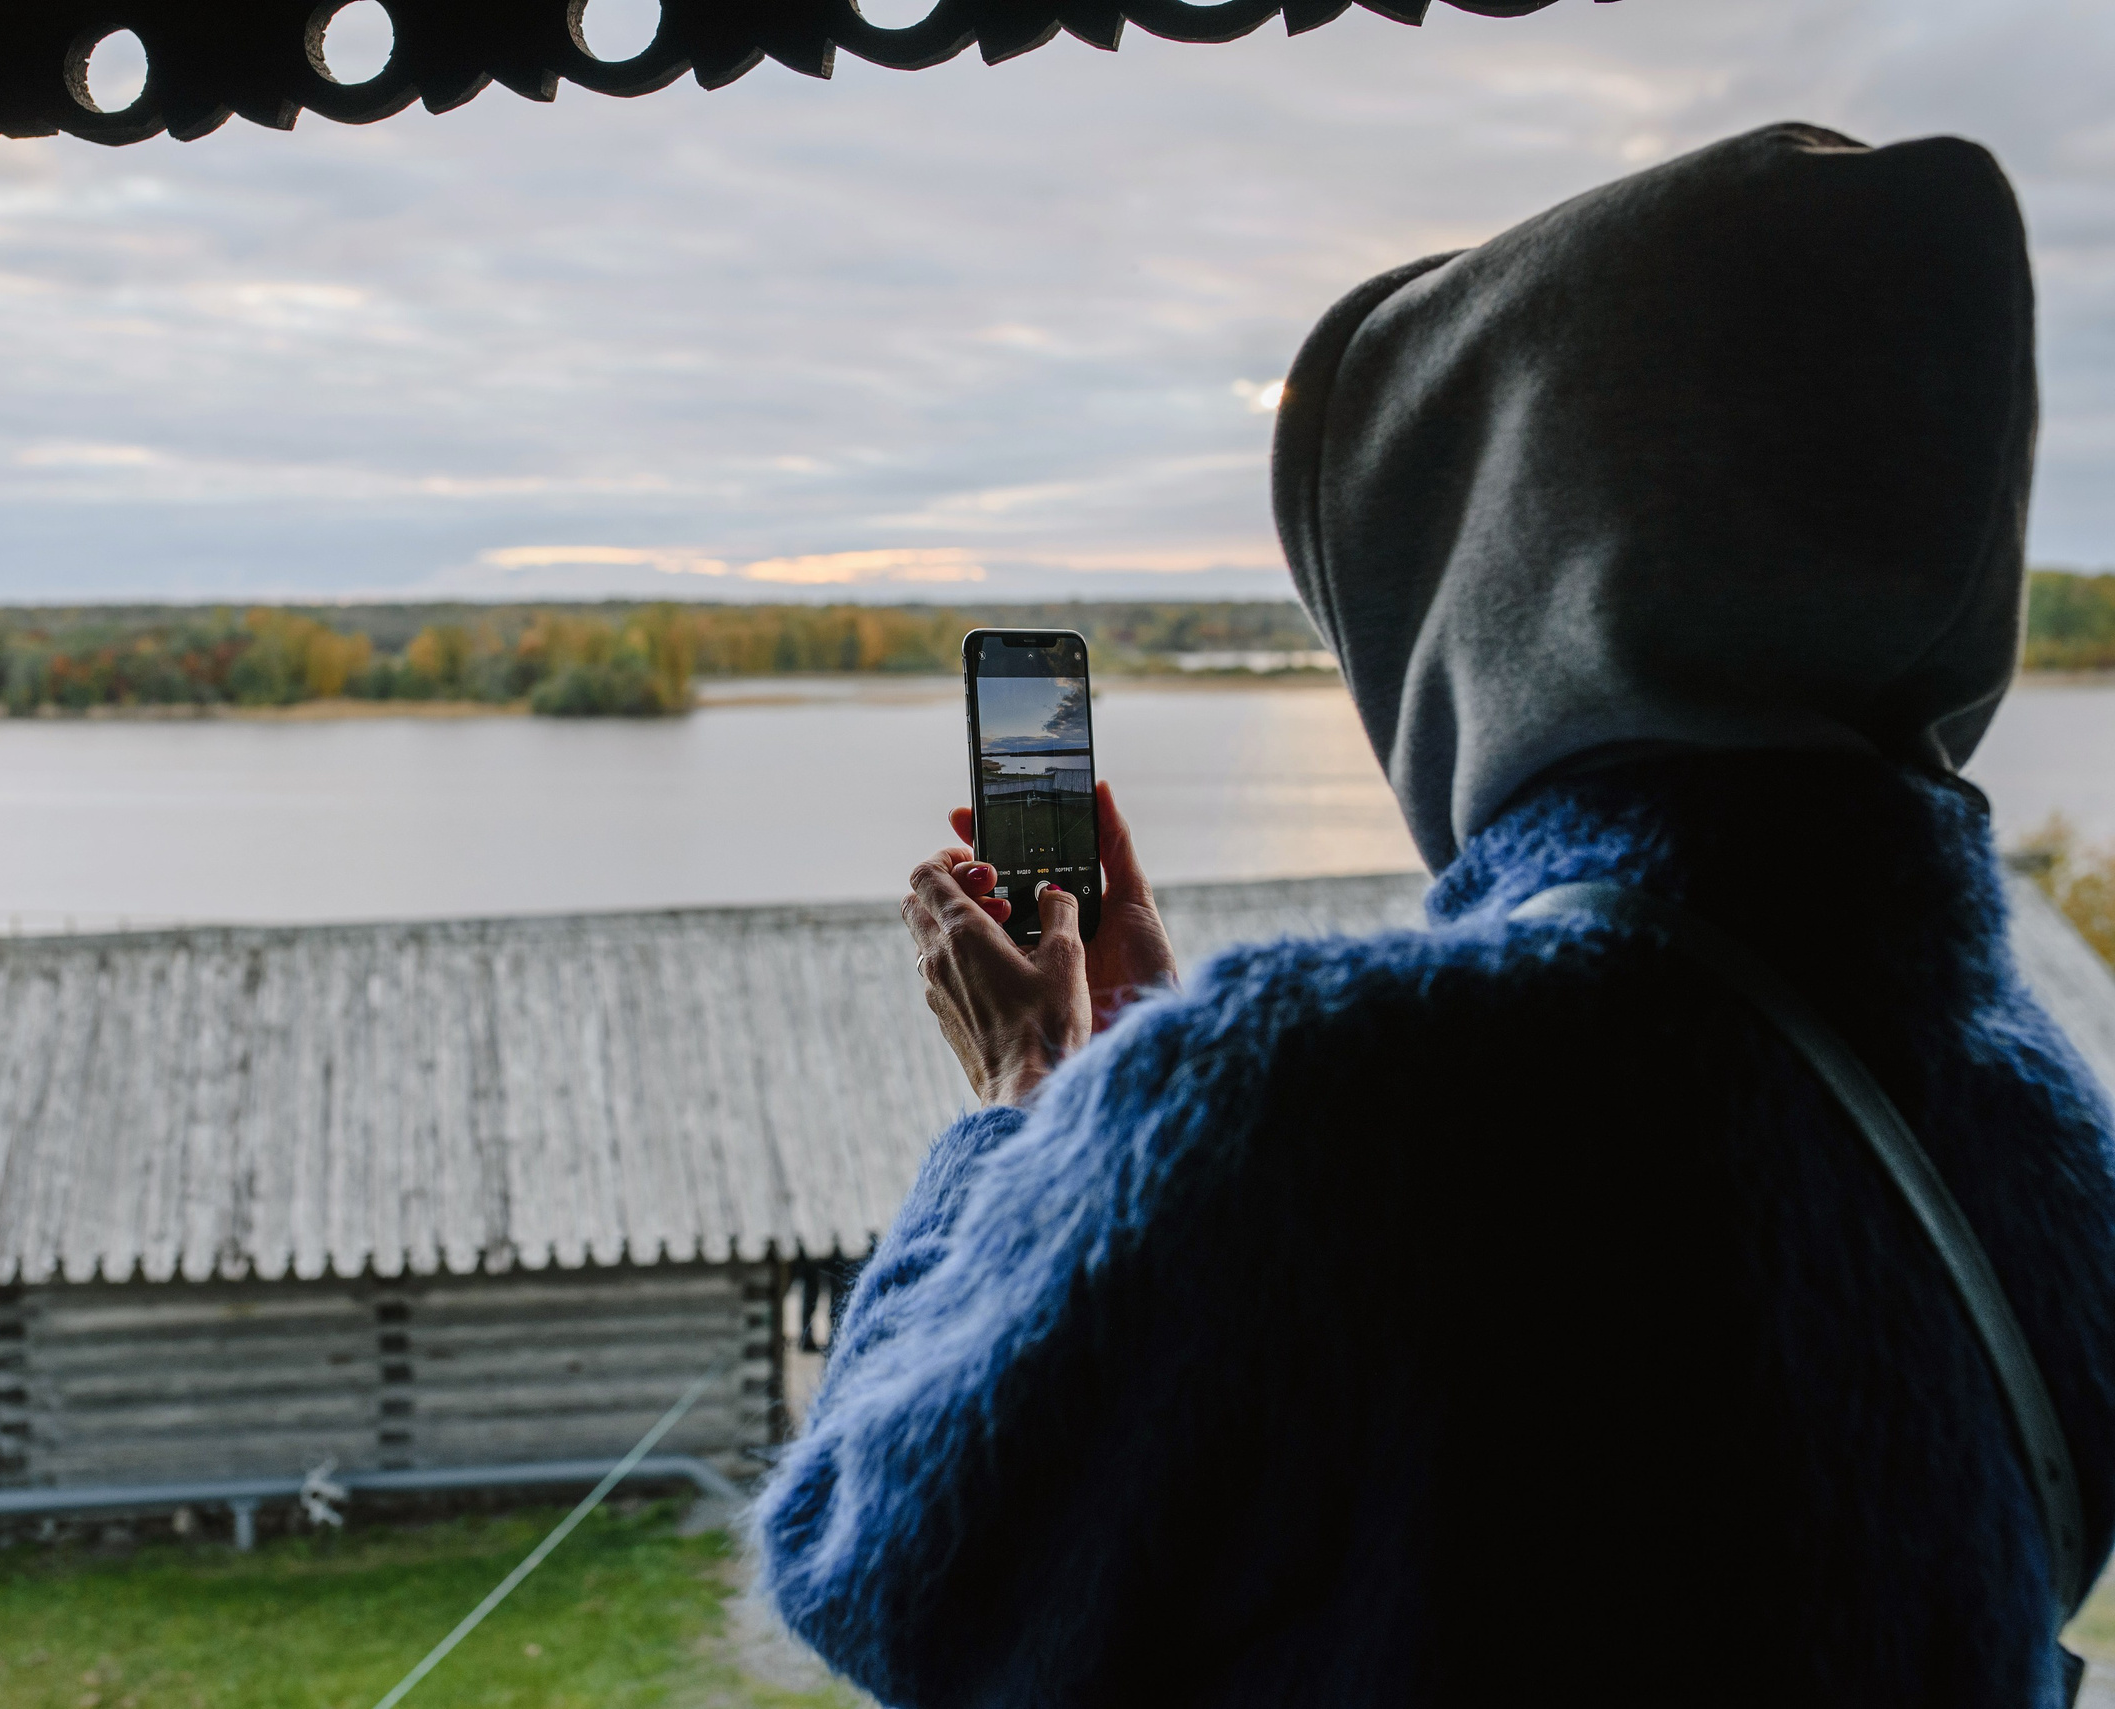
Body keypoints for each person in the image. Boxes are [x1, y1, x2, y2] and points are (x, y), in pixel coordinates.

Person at [753, 123, 2115, 1707]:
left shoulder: (1300, 1096)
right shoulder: (2043, 1129)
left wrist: (1039, 1105)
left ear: (1491, 576)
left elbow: (886, 1566)